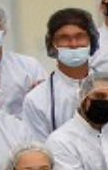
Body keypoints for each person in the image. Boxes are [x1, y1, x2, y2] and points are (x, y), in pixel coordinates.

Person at [24, 9, 102, 140]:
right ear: (52, 44)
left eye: (80, 36)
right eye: (64, 38)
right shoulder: (36, 99)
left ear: (91, 40)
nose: (73, 44)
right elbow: (38, 147)